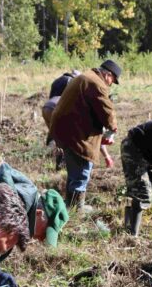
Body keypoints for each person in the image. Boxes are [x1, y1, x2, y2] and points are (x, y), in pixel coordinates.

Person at [49, 59, 121, 213]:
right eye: (112, 80)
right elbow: (107, 111)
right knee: (82, 169)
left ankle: (70, 205)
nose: (111, 84)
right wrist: (112, 129)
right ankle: (77, 209)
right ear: (108, 75)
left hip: (66, 130)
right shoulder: (97, 83)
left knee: (74, 171)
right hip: (76, 133)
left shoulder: (86, 76)